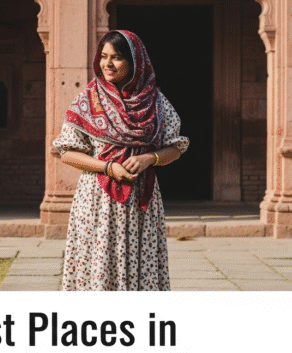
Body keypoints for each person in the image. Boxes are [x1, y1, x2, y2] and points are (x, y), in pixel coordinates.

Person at [52, 30, 189, 291]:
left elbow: (176, 146)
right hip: (98, 201)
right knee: (99, 265)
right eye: (103, 57)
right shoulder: (88, 99)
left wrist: (150, 158)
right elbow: (66, 151)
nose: (108, 64)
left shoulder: (156, 102)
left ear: (135, 61)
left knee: (141, 267)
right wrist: (107, 167)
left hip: (141, 201)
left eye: (116, 57)